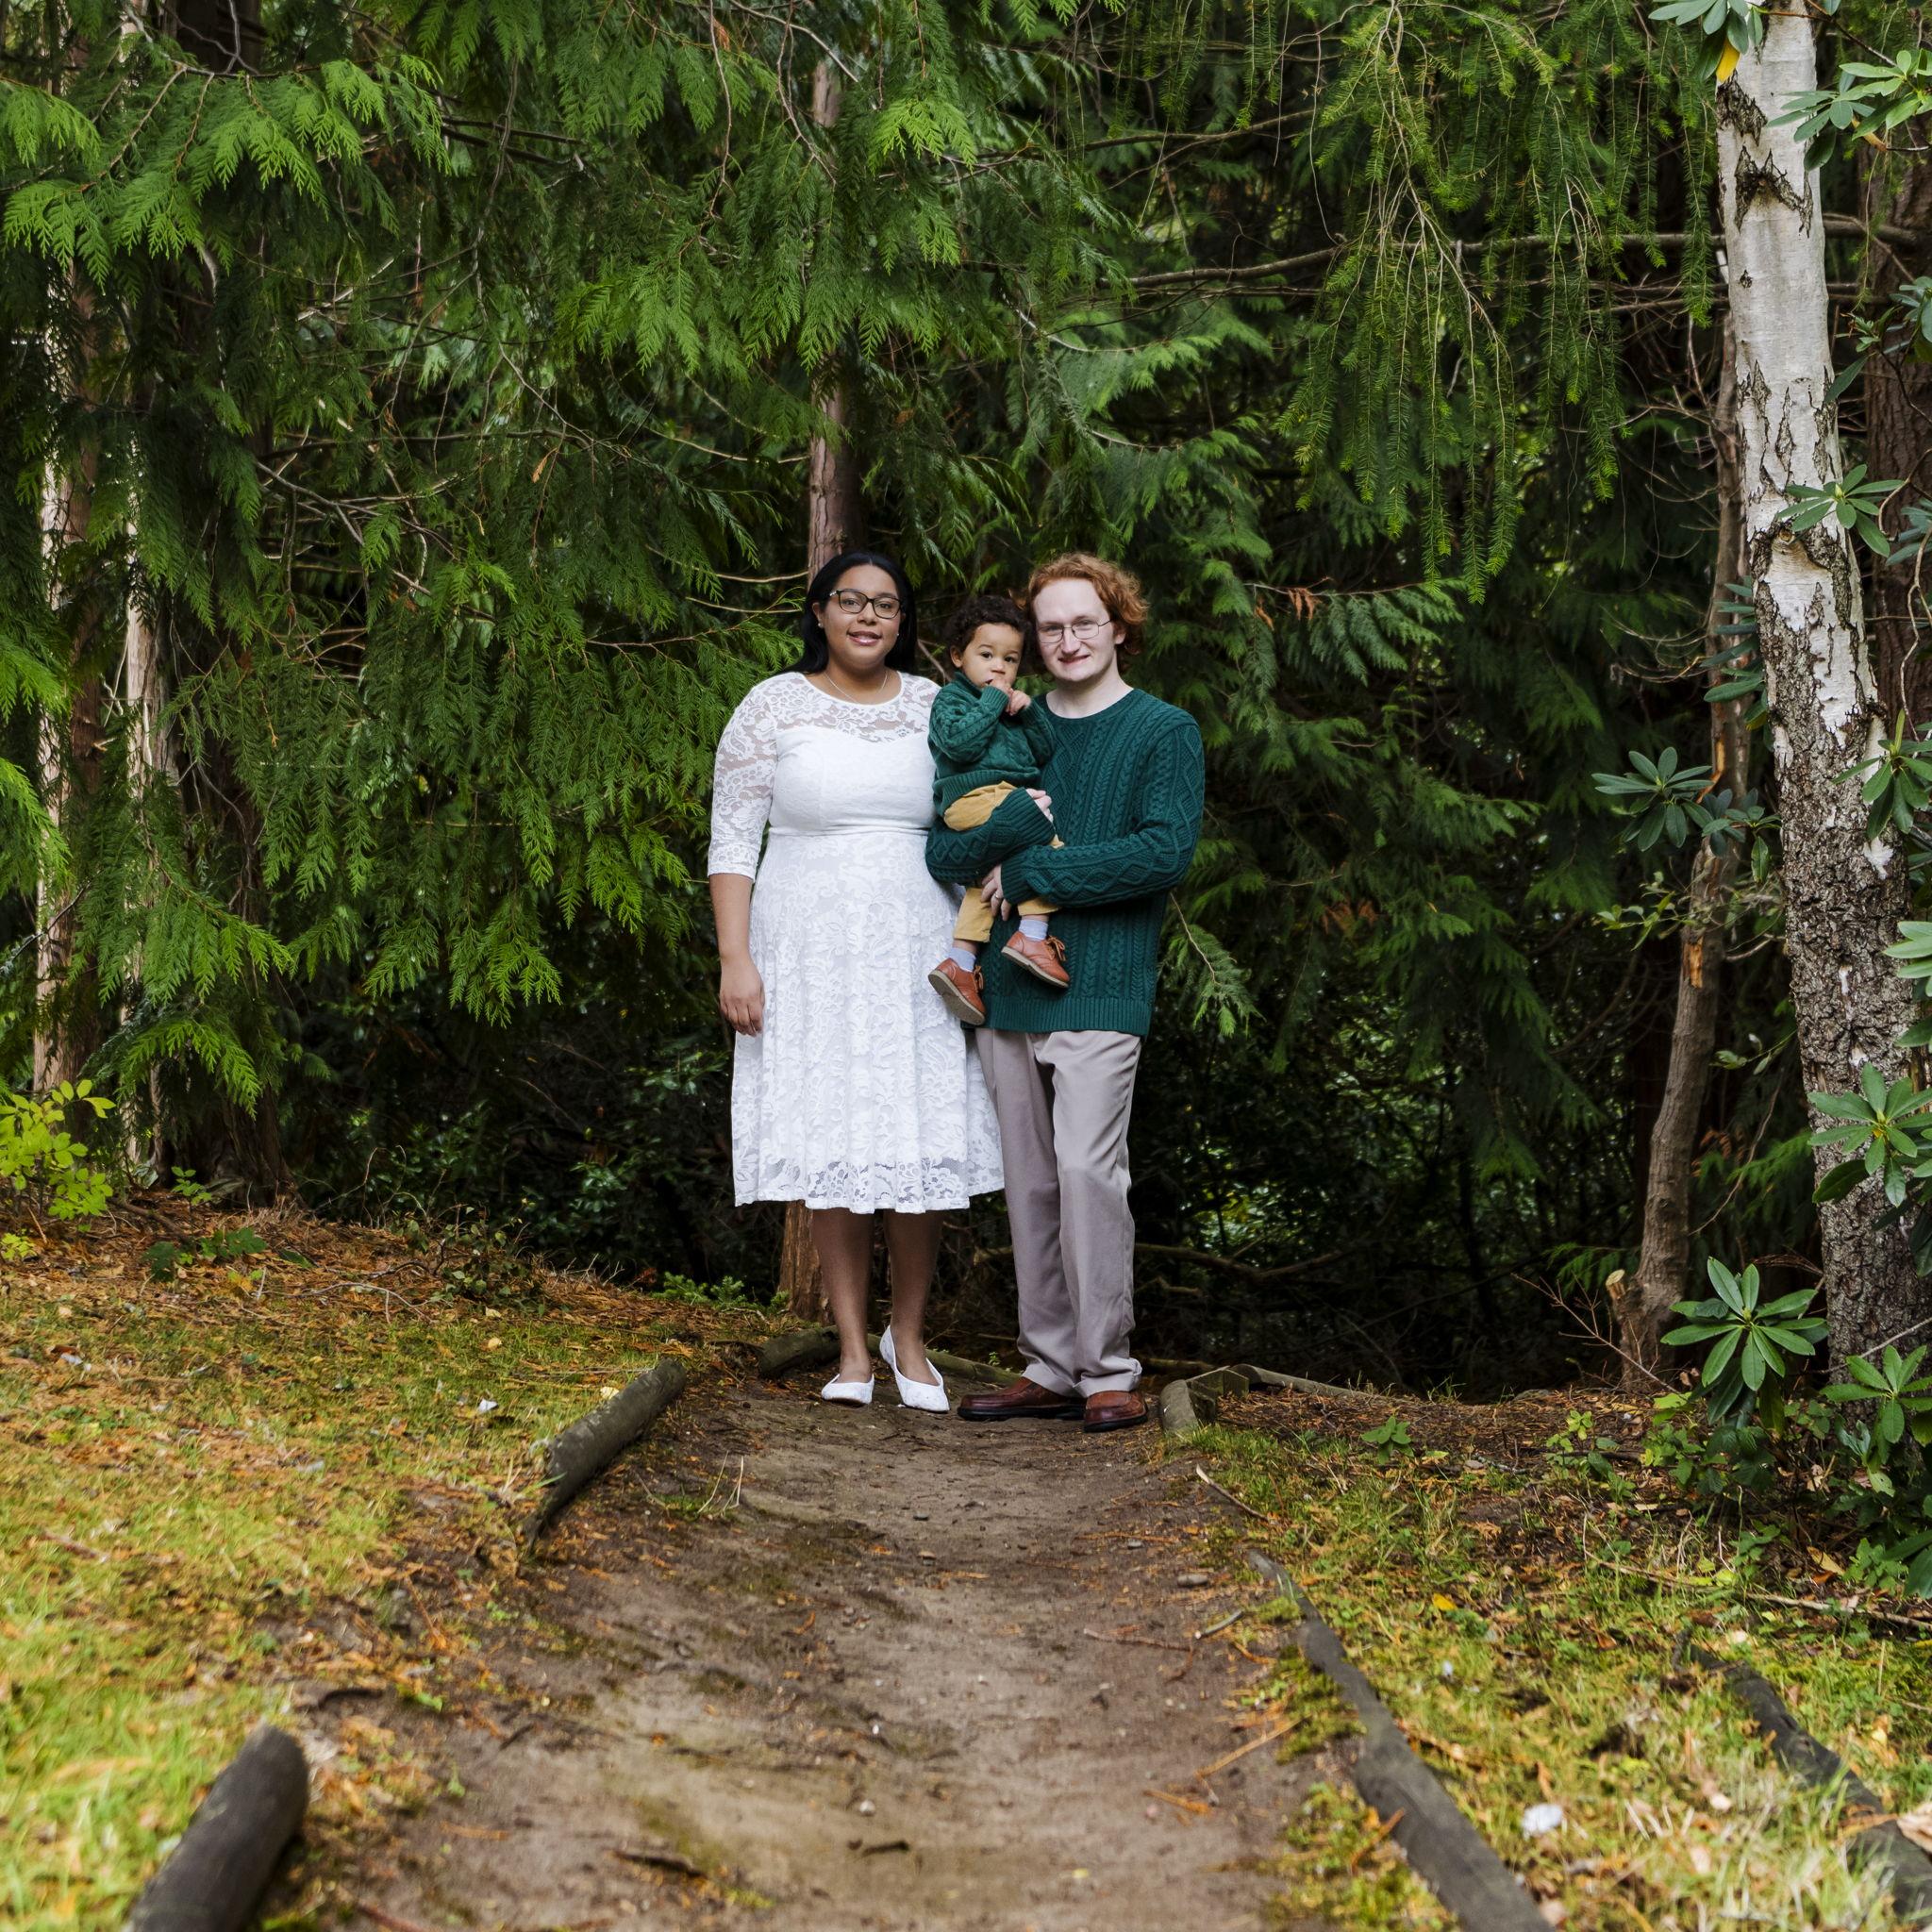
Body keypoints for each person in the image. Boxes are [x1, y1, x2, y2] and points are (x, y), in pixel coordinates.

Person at [708, 550, 1003, 1412]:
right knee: (833, 1136)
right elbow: (733, 841)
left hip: (918, 944)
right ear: (820, 611)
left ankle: (907, 1337)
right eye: (851, 601)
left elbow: (985, 796)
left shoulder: (936, 705)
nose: (868, 616)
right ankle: (848, 1346)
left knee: (915, 1133)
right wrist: (735, 958)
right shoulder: (773, 705)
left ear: (903, 622)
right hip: (806, 949)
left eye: (886, 605)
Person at [925, 553, 1204, 1433]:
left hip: (1102, 983)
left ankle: (1108, 1369)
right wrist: (1008, 836)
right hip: (1007, 984)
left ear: (1118, 627)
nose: (1069, 639)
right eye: (1051, 627)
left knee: (1088, 1171)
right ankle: (1048, 1364)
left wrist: (1038, 868)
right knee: (1030, 1180)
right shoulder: (1011, 720)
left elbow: (1164, 853)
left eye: (1085, 622)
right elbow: (946, 844)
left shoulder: (1163, 730)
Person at [925, 594, 1072, 1027]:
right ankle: (1032, 936)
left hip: (1003, 796)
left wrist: (1028, 713)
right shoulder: (952, 699)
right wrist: (991, 702)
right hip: (973, 796)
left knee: (986, 883)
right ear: (958, 656)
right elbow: (959, 745)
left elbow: (1043, 751)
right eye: (986, 655)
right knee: (1044, 844)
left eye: (1009, 660)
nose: (999, 668)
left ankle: (960, 962)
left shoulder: (1010, 707)